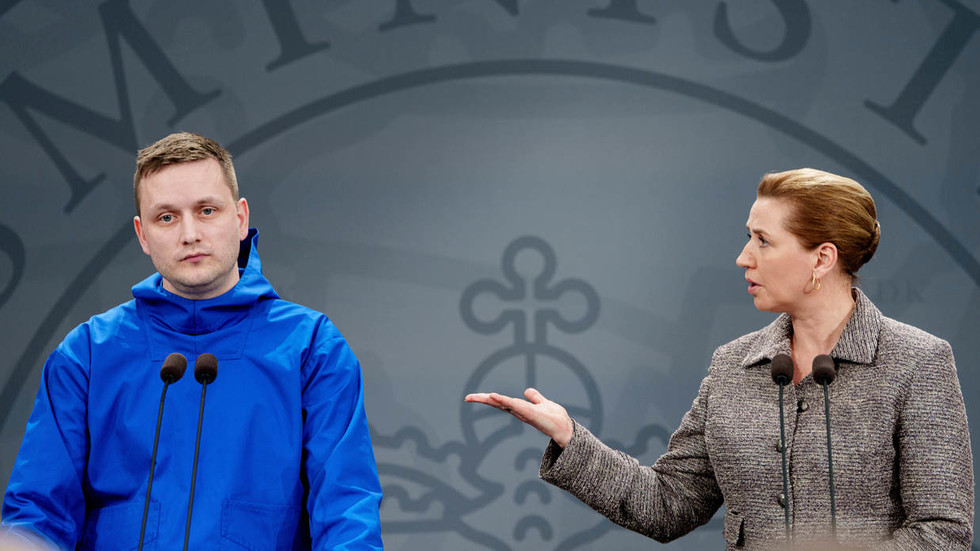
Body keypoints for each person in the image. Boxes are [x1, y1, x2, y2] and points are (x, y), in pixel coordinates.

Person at [466, 168, 973, 549]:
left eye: (763, 241)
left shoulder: (917, 363)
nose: (743, 257)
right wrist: (571, 438)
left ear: (822, 258)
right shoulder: (733, 365)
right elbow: (668, 505)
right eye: (749, 236)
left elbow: (943, 531)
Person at [2, 132, 383, 549]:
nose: (189, 234)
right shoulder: (88, 355)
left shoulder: (311, 348)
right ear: (142, 234)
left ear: (240, 218)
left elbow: (346, 514)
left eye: (206, 210)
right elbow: (37, 517)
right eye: (166, 217)